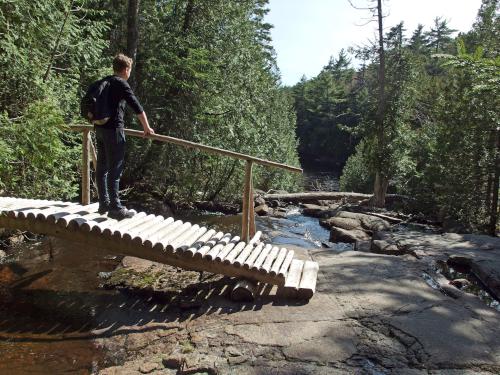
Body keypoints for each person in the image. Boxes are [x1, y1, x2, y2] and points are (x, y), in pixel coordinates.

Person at [95, 53, 154, 220]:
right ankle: (116, 209)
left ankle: (104, 203)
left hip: (99, 129)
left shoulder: (104, 81)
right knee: (115, 168)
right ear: (126, 69)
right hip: (114, 130)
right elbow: (136, 106)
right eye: (130, 70)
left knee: (102, 167)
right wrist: (147, 127)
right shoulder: (121, 83)